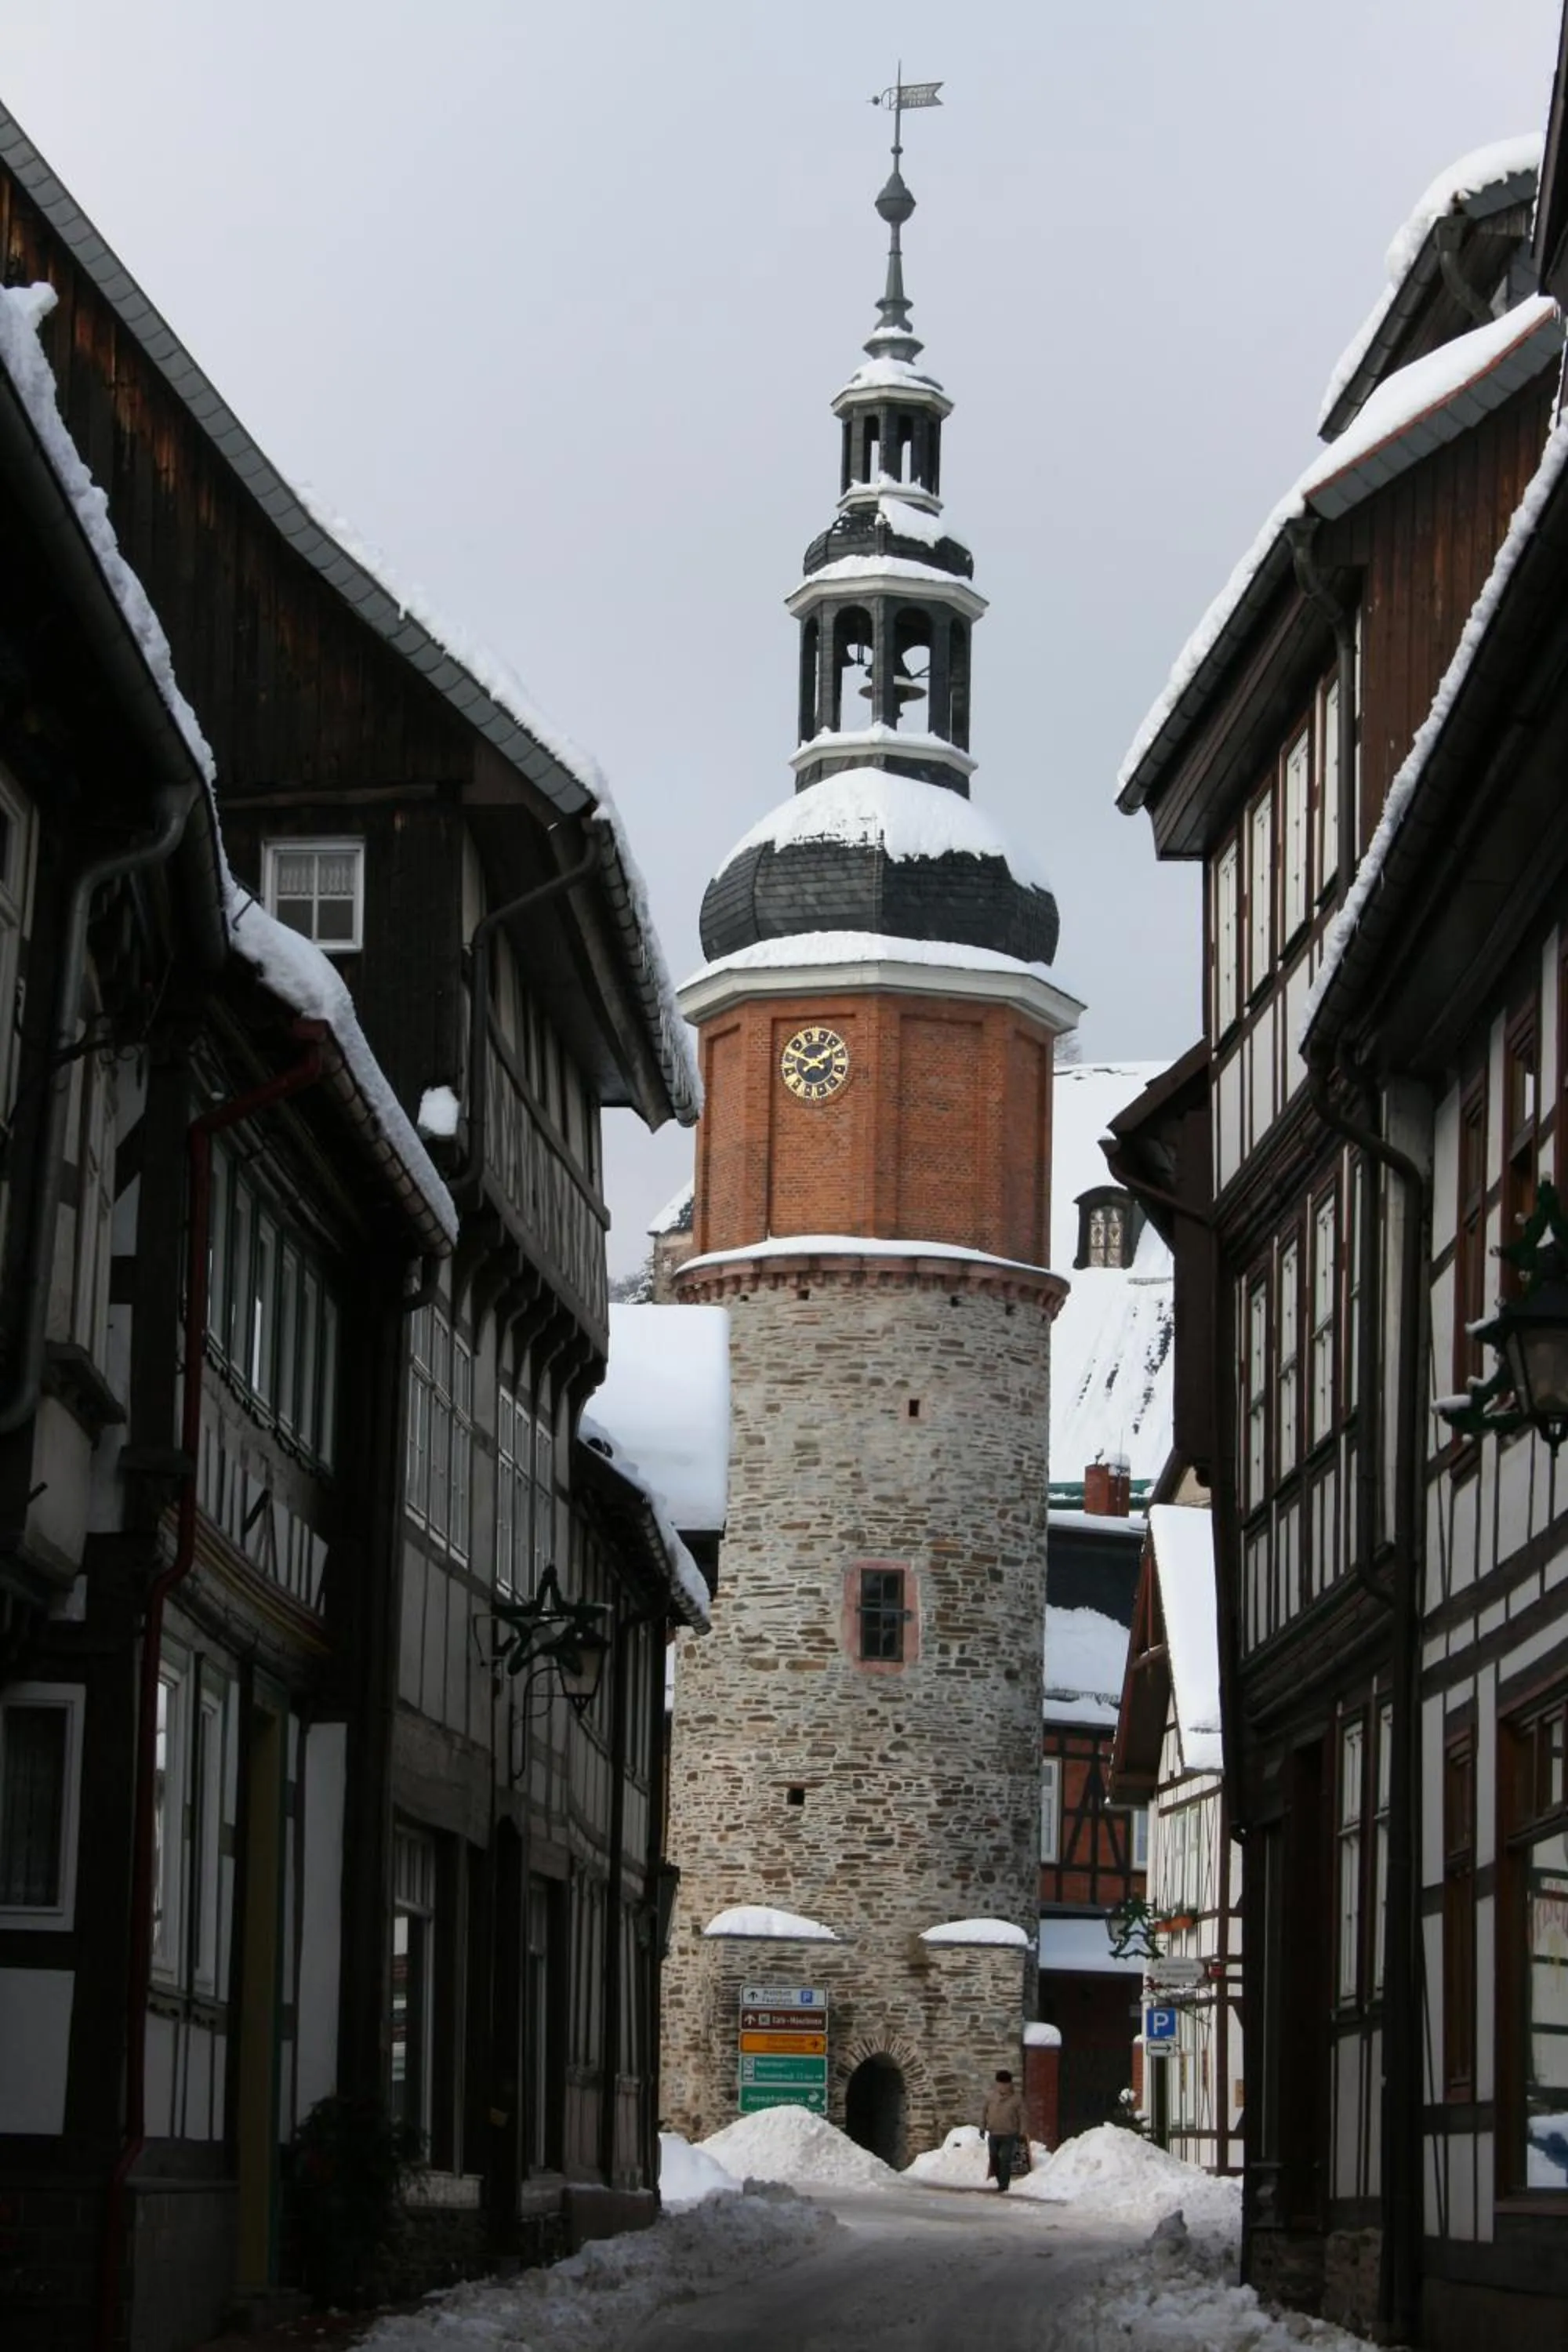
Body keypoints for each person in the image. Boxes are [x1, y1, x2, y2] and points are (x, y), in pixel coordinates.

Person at [980, 2068, 1029, 2191]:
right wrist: (982, 2127)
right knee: (994, 2157)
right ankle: (999, 2179)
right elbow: (984, 2112)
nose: (1002, 2087)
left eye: (1005, 2084)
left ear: (1010, 2084)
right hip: (994, 2132)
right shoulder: (991, 2097)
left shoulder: (1016, 2099)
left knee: (1005, 2158)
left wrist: (1022, 2131)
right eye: (1000, 2084)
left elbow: (1023, 2116)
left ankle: (1004, 2184)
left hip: (1009, 2133)